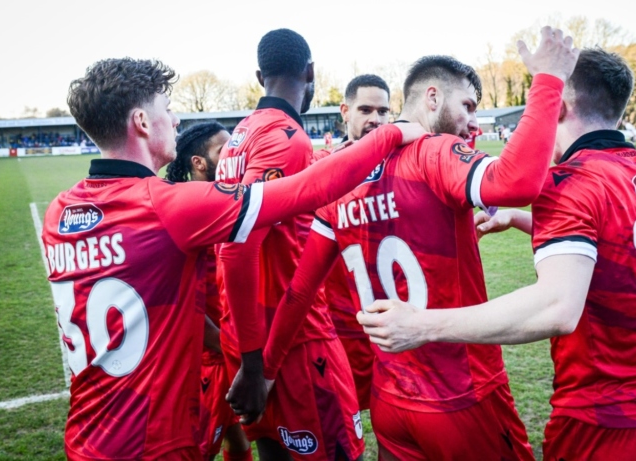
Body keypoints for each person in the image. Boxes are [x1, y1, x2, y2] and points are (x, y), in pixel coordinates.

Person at [43, 57, 423, 461]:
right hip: (154, 441)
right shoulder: (168, 207)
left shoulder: (58, 212)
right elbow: (306, 192)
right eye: (166, 110)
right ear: (141, 122)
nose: (174, 121)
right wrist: (391, 133)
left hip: (87, 437)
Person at [358, 48, 636, 461]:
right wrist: (520, 219)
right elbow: (619, 245)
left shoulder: (567, 182)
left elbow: (557, 308)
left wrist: (422, 325)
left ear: (559, 105)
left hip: (607, 423)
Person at [261, 27, 579, 460]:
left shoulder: (342, 173)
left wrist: (264, 372)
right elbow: (518, 179)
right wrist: (548, 78)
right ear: (432, 98)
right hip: (462, 395)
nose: (471, 120)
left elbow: (299, 291)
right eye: (466, 105)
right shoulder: (434, 153)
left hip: (391, 399)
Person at [216, 29, 380, 461]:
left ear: (259, 77)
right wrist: (258, 367)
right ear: (311, 72)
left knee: (275, 449)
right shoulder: (286, 137)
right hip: (291, 343)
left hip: (250, 333)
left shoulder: (238, 137)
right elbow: (238, 246)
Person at [164, 122, 253, 461]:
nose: (235, 154)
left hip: (230, 350)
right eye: (225, 150)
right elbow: (181, 303)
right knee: (197, 450)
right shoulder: (185, 212)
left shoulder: (227, 200)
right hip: (209, 359)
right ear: (199, 163)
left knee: (239, 440)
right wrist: (232, 348)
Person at [320, 74, 392, 410]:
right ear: (345, 111)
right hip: (340, 325)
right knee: (348, 427)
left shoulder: (405, 165)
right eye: (365, 109)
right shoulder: (318, 168)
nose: (375, 119)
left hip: (397, 321)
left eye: (383, 111)